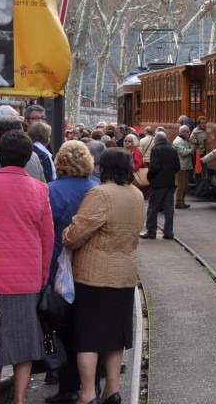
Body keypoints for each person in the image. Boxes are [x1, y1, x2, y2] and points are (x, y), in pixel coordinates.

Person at [62, 148, 145, 404]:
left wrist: (65, 232)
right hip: (124, 275)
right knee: (114, 336)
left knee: (88, 337)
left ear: (102, 168)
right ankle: (113, 389)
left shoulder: (99, 194)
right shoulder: (137, 194)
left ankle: (87, 394)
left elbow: (75, 236)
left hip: (94, 276)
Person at [0, 130, 54, 404]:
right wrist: (43, 273)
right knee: (25, 340)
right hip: (27, 272)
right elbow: (48, 235)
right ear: (28, 158)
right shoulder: (40, 188)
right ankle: (20, 398)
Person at [44, 141, 99, 404]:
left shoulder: (50, 191)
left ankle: (67, 386)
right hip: (91, 266)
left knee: (62, 327)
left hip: (58, 267)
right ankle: (91, 384)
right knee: (88, 326)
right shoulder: (96, 190)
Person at [140, 133, 179, 240]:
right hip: (170, 183)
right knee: (168, 209)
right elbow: (177, 167)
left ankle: (151, 231)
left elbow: (154, 166)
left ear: (157, 140)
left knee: (153, 208)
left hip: (158, 183)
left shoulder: (156, 150)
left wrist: (149, 176)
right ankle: (168, 232)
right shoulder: (172, 150)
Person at [172, 125, 194, 209]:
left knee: (184, 185)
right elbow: (184, 153)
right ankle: (178, 202)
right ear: (183, 132)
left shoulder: (183, 140)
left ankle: (182, 201)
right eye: (187, 132)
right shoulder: (178, 141)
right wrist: (193, 149)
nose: (189, 133)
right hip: (181, 166)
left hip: (184, 165)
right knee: (181, 185)